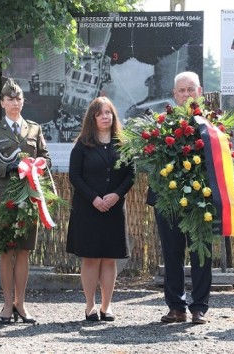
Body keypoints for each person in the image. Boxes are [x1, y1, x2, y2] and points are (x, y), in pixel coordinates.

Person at [0, 78, 51, 324]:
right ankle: (7, 305)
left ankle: (21, 303)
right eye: (10, 99)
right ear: (2, 102)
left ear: (23, 101)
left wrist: (37, 165)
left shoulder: (34, 129)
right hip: (3, 197)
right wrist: (8, 167)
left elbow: (45, 159)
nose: (15, 103)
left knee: (24, 252)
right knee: (7, 250)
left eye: (18, 98)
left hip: (28, 196)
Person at [147, 71, 210, 324]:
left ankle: (199, 307)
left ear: (200, 91)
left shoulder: (212, 125)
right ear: (174, 94)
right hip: (167, 198)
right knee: (172, 253)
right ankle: (176, 307)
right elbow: (150, 160)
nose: (186, 94)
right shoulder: (161, 124)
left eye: (191, 89)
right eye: (181, 90)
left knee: (201, 252)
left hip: (201, 198)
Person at [66, 97, 135, 321]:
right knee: (91, 259)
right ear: (92, 118)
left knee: (109, 259)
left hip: (114, 209)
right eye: (100, 113)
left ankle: (107, 307)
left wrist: (116, 195)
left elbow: (131, 175)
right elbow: (74, 176)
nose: (105, 116)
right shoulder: (82, 144)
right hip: (88, 209)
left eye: (109, 112)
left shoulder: (123, 144)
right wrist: (94, 198)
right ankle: (90, 306)